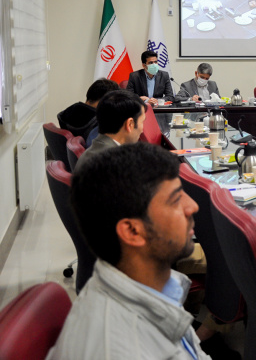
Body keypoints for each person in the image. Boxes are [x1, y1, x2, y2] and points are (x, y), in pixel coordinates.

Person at [48, 142, 210, 360]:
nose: (192, 206)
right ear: (132, 231)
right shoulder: (119, 349)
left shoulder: (154, 288)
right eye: (175, 200)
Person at [75, 90, 146, 172]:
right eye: (142, 121)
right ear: (130, 124)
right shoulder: (118, 166)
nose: (142, 130)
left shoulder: (94, 151)